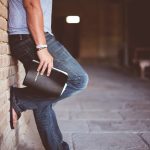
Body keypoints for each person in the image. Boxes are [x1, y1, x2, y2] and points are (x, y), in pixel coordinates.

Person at [8, 0, 89, 150]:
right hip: (30, 38)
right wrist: (42, 47)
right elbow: (32, 3)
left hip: (27, 36)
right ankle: (20, 99)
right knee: (78, 79)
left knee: (43, 97)